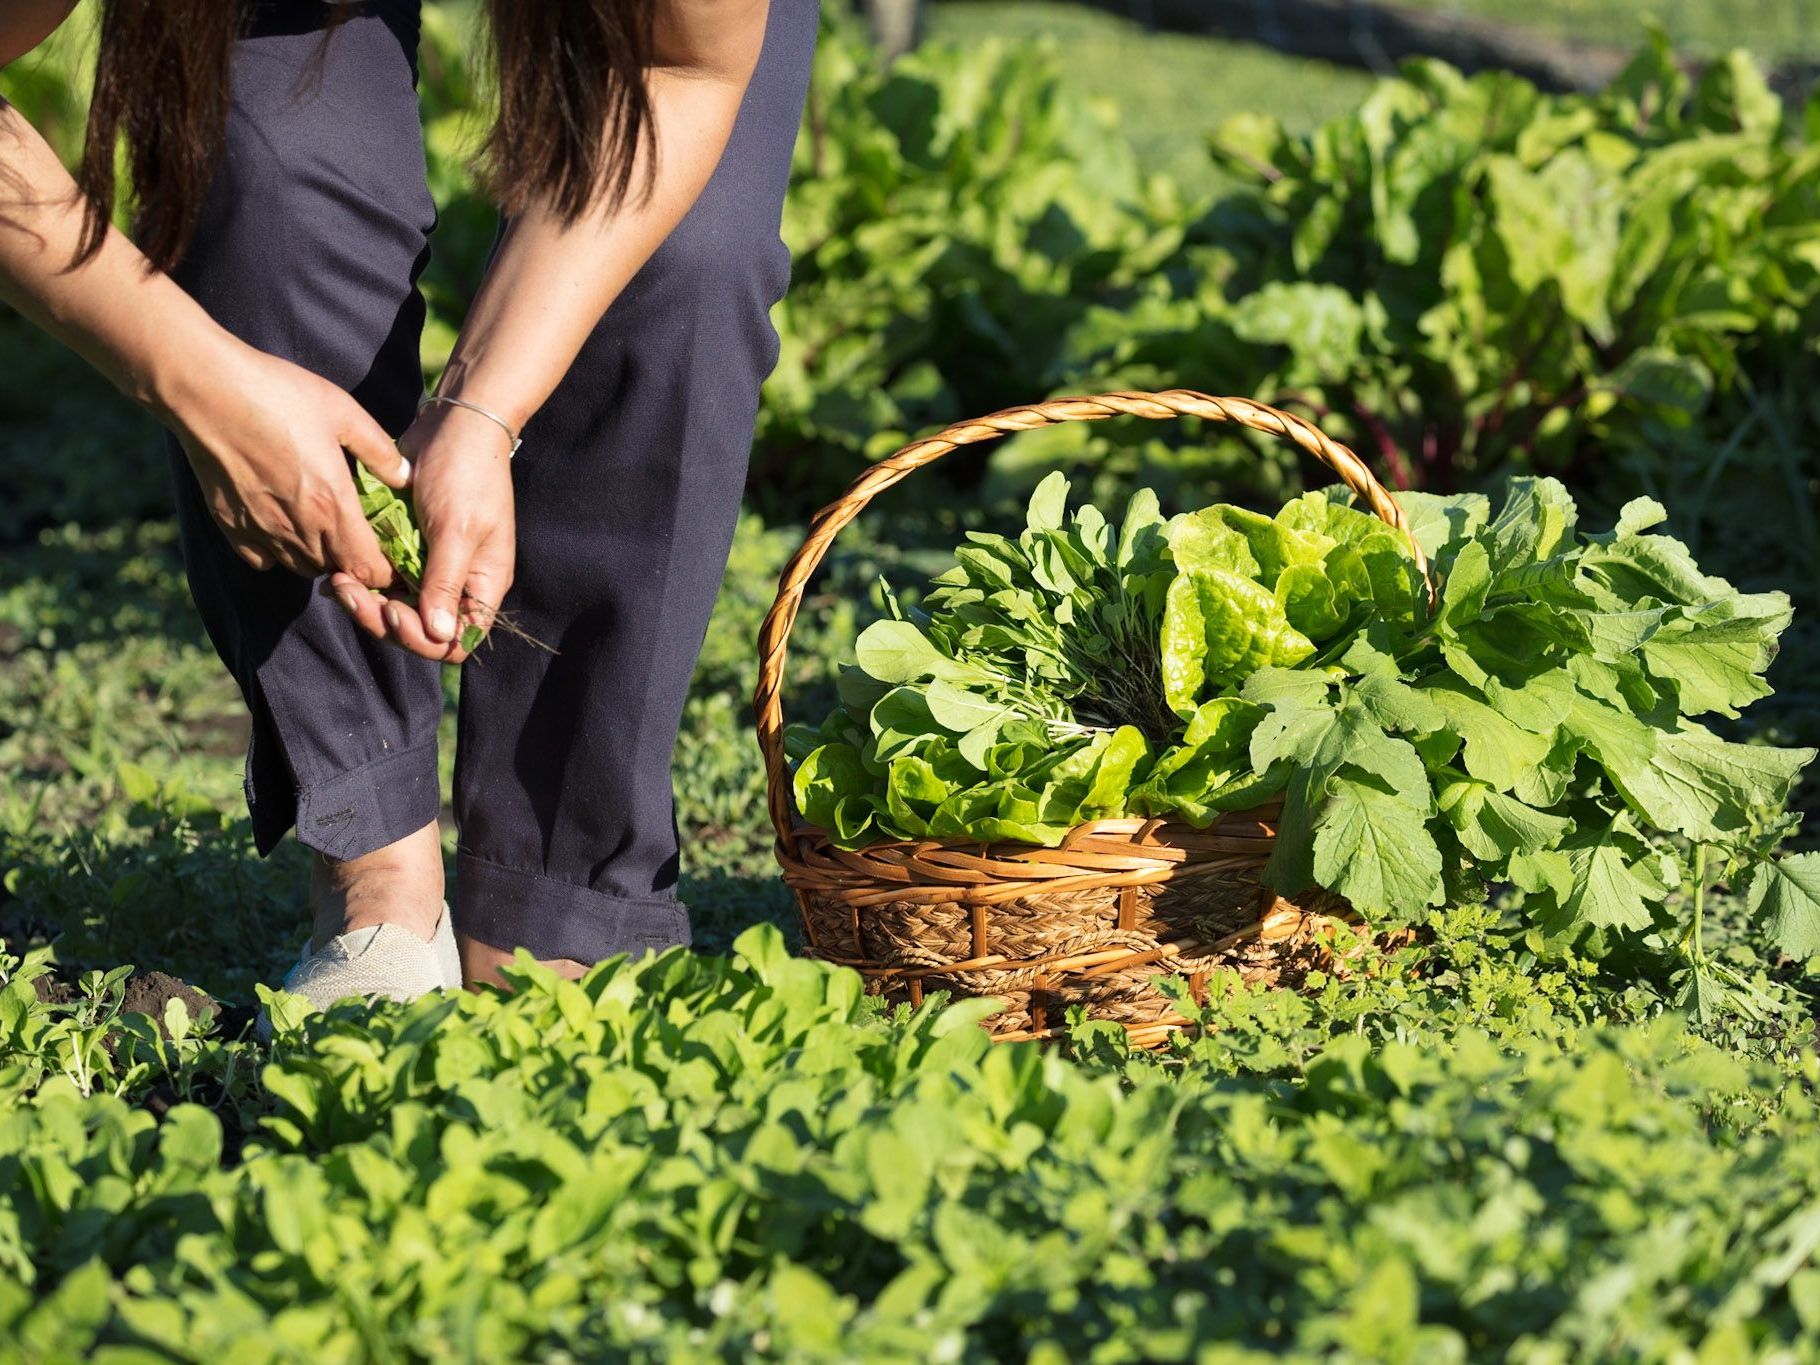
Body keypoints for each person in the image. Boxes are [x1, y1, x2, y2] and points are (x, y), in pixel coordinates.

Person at [0, 0, 817, 1008]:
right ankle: (376, 876)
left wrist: (482, 411)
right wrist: (194, 374)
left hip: (673, 45)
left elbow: (678, 74)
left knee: (693, 250)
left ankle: (560, 904)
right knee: (272, 175)